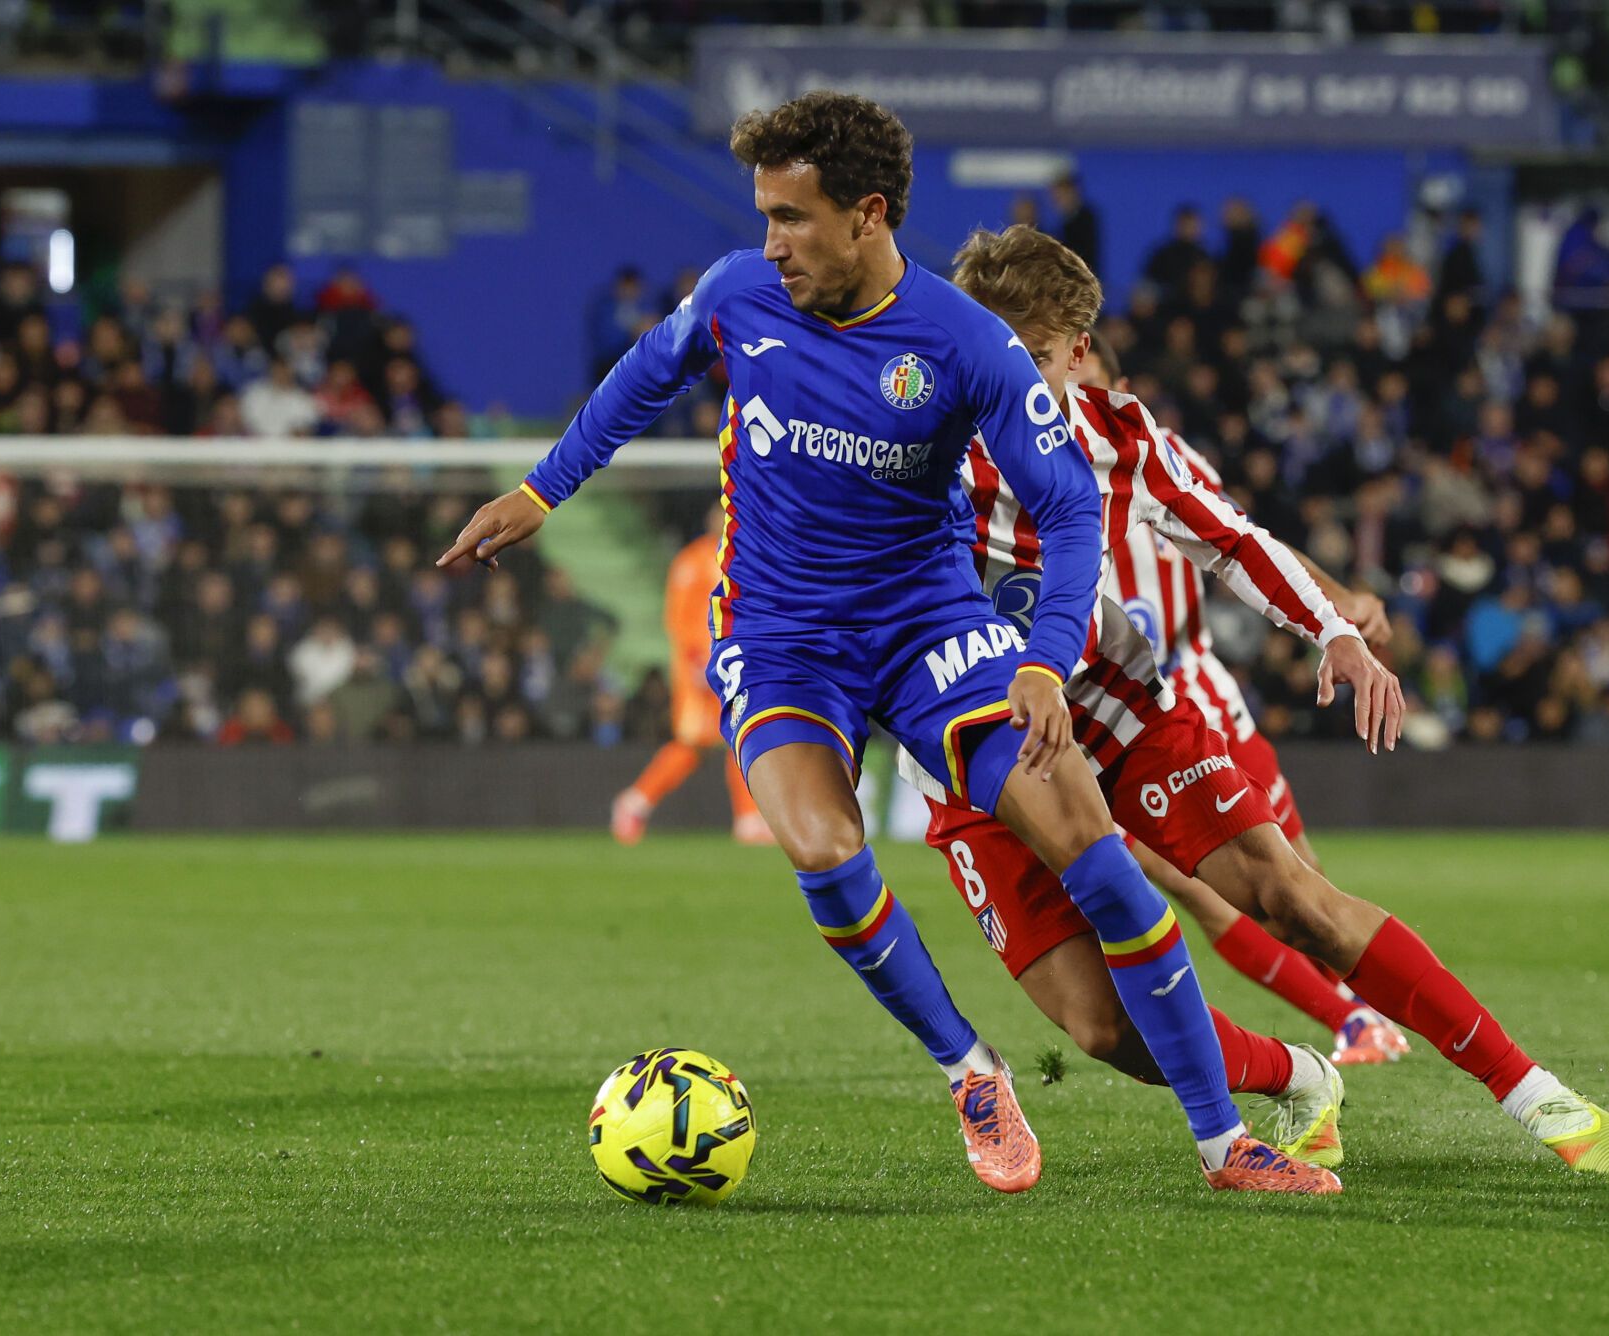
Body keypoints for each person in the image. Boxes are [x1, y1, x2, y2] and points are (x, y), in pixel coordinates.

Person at [438, 93, 1331, 1195]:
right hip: (778, 633)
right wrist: (541, 490)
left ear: (866, 215)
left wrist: (1046, 657)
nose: (770, 242)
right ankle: (968, 1065)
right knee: (819, 848)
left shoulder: (964, 345)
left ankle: (1223, 1141)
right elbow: (643, 374)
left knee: (1086, 842)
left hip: (927, 623)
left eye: (792, 218)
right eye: (763, 216)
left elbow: (1064, 513)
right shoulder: (739, 295)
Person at [920, 224, 1609, 1177]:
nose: (1012, 382)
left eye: (1038, 359)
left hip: (1118, 715)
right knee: (1098, 1027)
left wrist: (1334, 629)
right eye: (996, 356)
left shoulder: (1121, 443)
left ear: (1080, 354)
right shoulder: (910, 447)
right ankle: (1297, 1073)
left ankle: (1536, 1094)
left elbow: (1237, 540)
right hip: (967, 753)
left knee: (1290, 898)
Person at [1085, 331, 1410, 1066]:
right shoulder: (1012, 457)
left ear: (1118, 383)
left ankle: (1374, 1006)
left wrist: (1340, 603)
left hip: (1200, 694)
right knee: (1191, 884)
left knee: (1297, 878)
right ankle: (1347, 1020)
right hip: (1111, 714)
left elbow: (1247, 541)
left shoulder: (1150, 450)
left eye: (1090, 377)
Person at [612, 506, 773, 846]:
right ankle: (636, 800)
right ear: (710, 519)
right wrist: (694, 659)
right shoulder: (692, 560)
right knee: (692, 744)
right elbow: (679, 618)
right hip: (698, 666)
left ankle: (747, 818)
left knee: (740, 733)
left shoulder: (746, 555)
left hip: (735, 662)